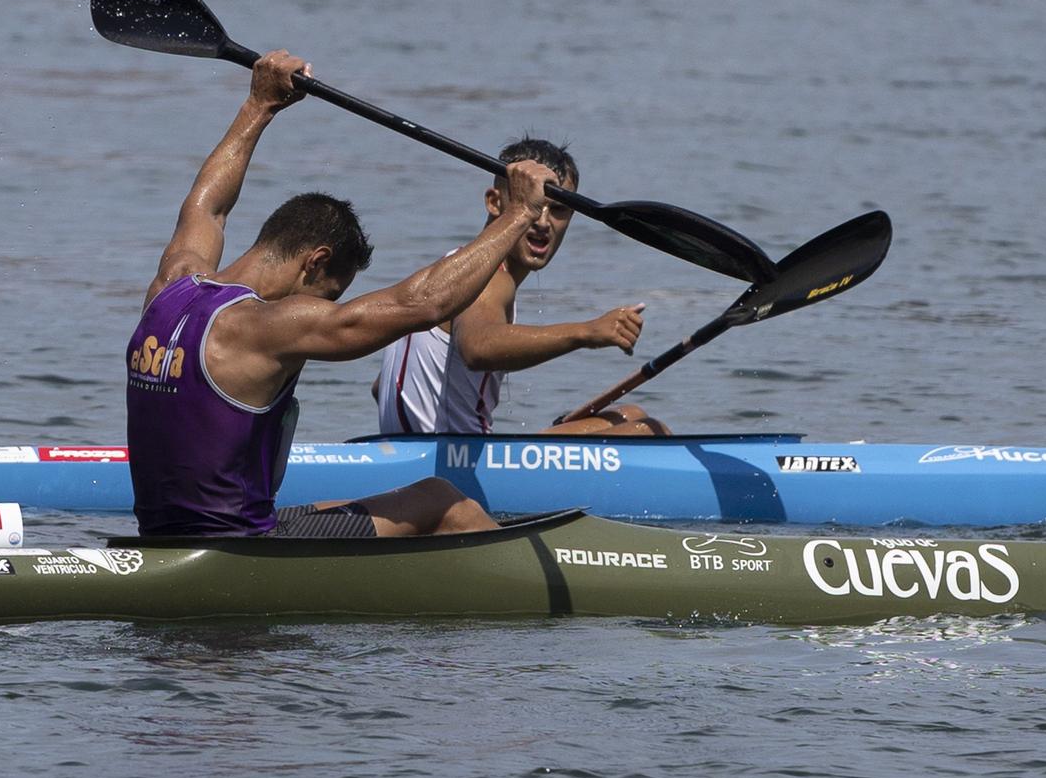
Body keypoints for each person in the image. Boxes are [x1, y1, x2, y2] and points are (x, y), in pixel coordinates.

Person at [126, 50, 553, 539]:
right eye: (330, 295)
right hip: (237, 553)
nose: (324, 309)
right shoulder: (264, 327)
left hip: (161, 535)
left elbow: (208, 207)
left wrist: (258, 105)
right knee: (442, 499)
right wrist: (518, 214)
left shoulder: (171, 284)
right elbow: (424, 304)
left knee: (336, 506)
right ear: (316, 262)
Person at [373, 137, 671, 437]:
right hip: (450, 463)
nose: (543, 222)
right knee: (649, 432)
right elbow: (478, 349)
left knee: (630, 415)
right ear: (494, 202)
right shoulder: (489, 278)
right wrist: (587, 332)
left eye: (559, 209)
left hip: (419, 448)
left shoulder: (448, 270)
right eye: (532, 204)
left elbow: (381, 387)